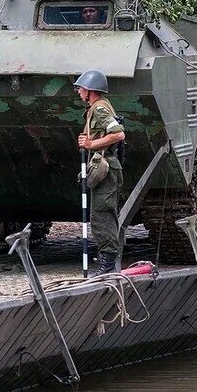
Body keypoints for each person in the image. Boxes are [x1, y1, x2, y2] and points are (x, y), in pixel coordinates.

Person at [73, 69, 125, 276]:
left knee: (102, 217)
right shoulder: (95, 108)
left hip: (106, 168)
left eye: (81, 89)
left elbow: (119, 134)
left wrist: (91, 143)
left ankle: (108, 266)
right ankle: (106, 264)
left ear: (90, 90)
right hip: (103, 167)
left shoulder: (100, 109)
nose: (79, 92)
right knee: (100, 216)